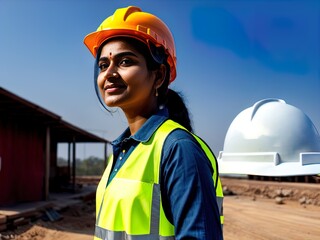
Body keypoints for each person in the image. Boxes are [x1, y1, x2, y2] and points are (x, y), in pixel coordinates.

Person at [84, 6, 224, 240]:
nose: (109, 73)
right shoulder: (123, 151)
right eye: (102, 65)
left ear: (158, 75)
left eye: (125, 61)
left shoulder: (179, 149)